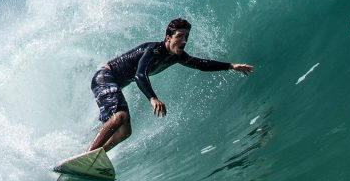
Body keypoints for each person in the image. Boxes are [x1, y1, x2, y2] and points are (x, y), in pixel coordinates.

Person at [88, 18, 254, 152]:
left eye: (186, 37)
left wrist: (231, 66)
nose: (184, 41)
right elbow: (140, 75)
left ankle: (96, 155)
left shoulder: (177, 56)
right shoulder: (153, 50)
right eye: (179, 36)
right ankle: (88, 155)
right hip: (105, 77)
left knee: (125, 131)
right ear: (168, 38)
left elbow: (201, 64)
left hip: (114, 83)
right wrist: (153, 98)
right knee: (120, 117)